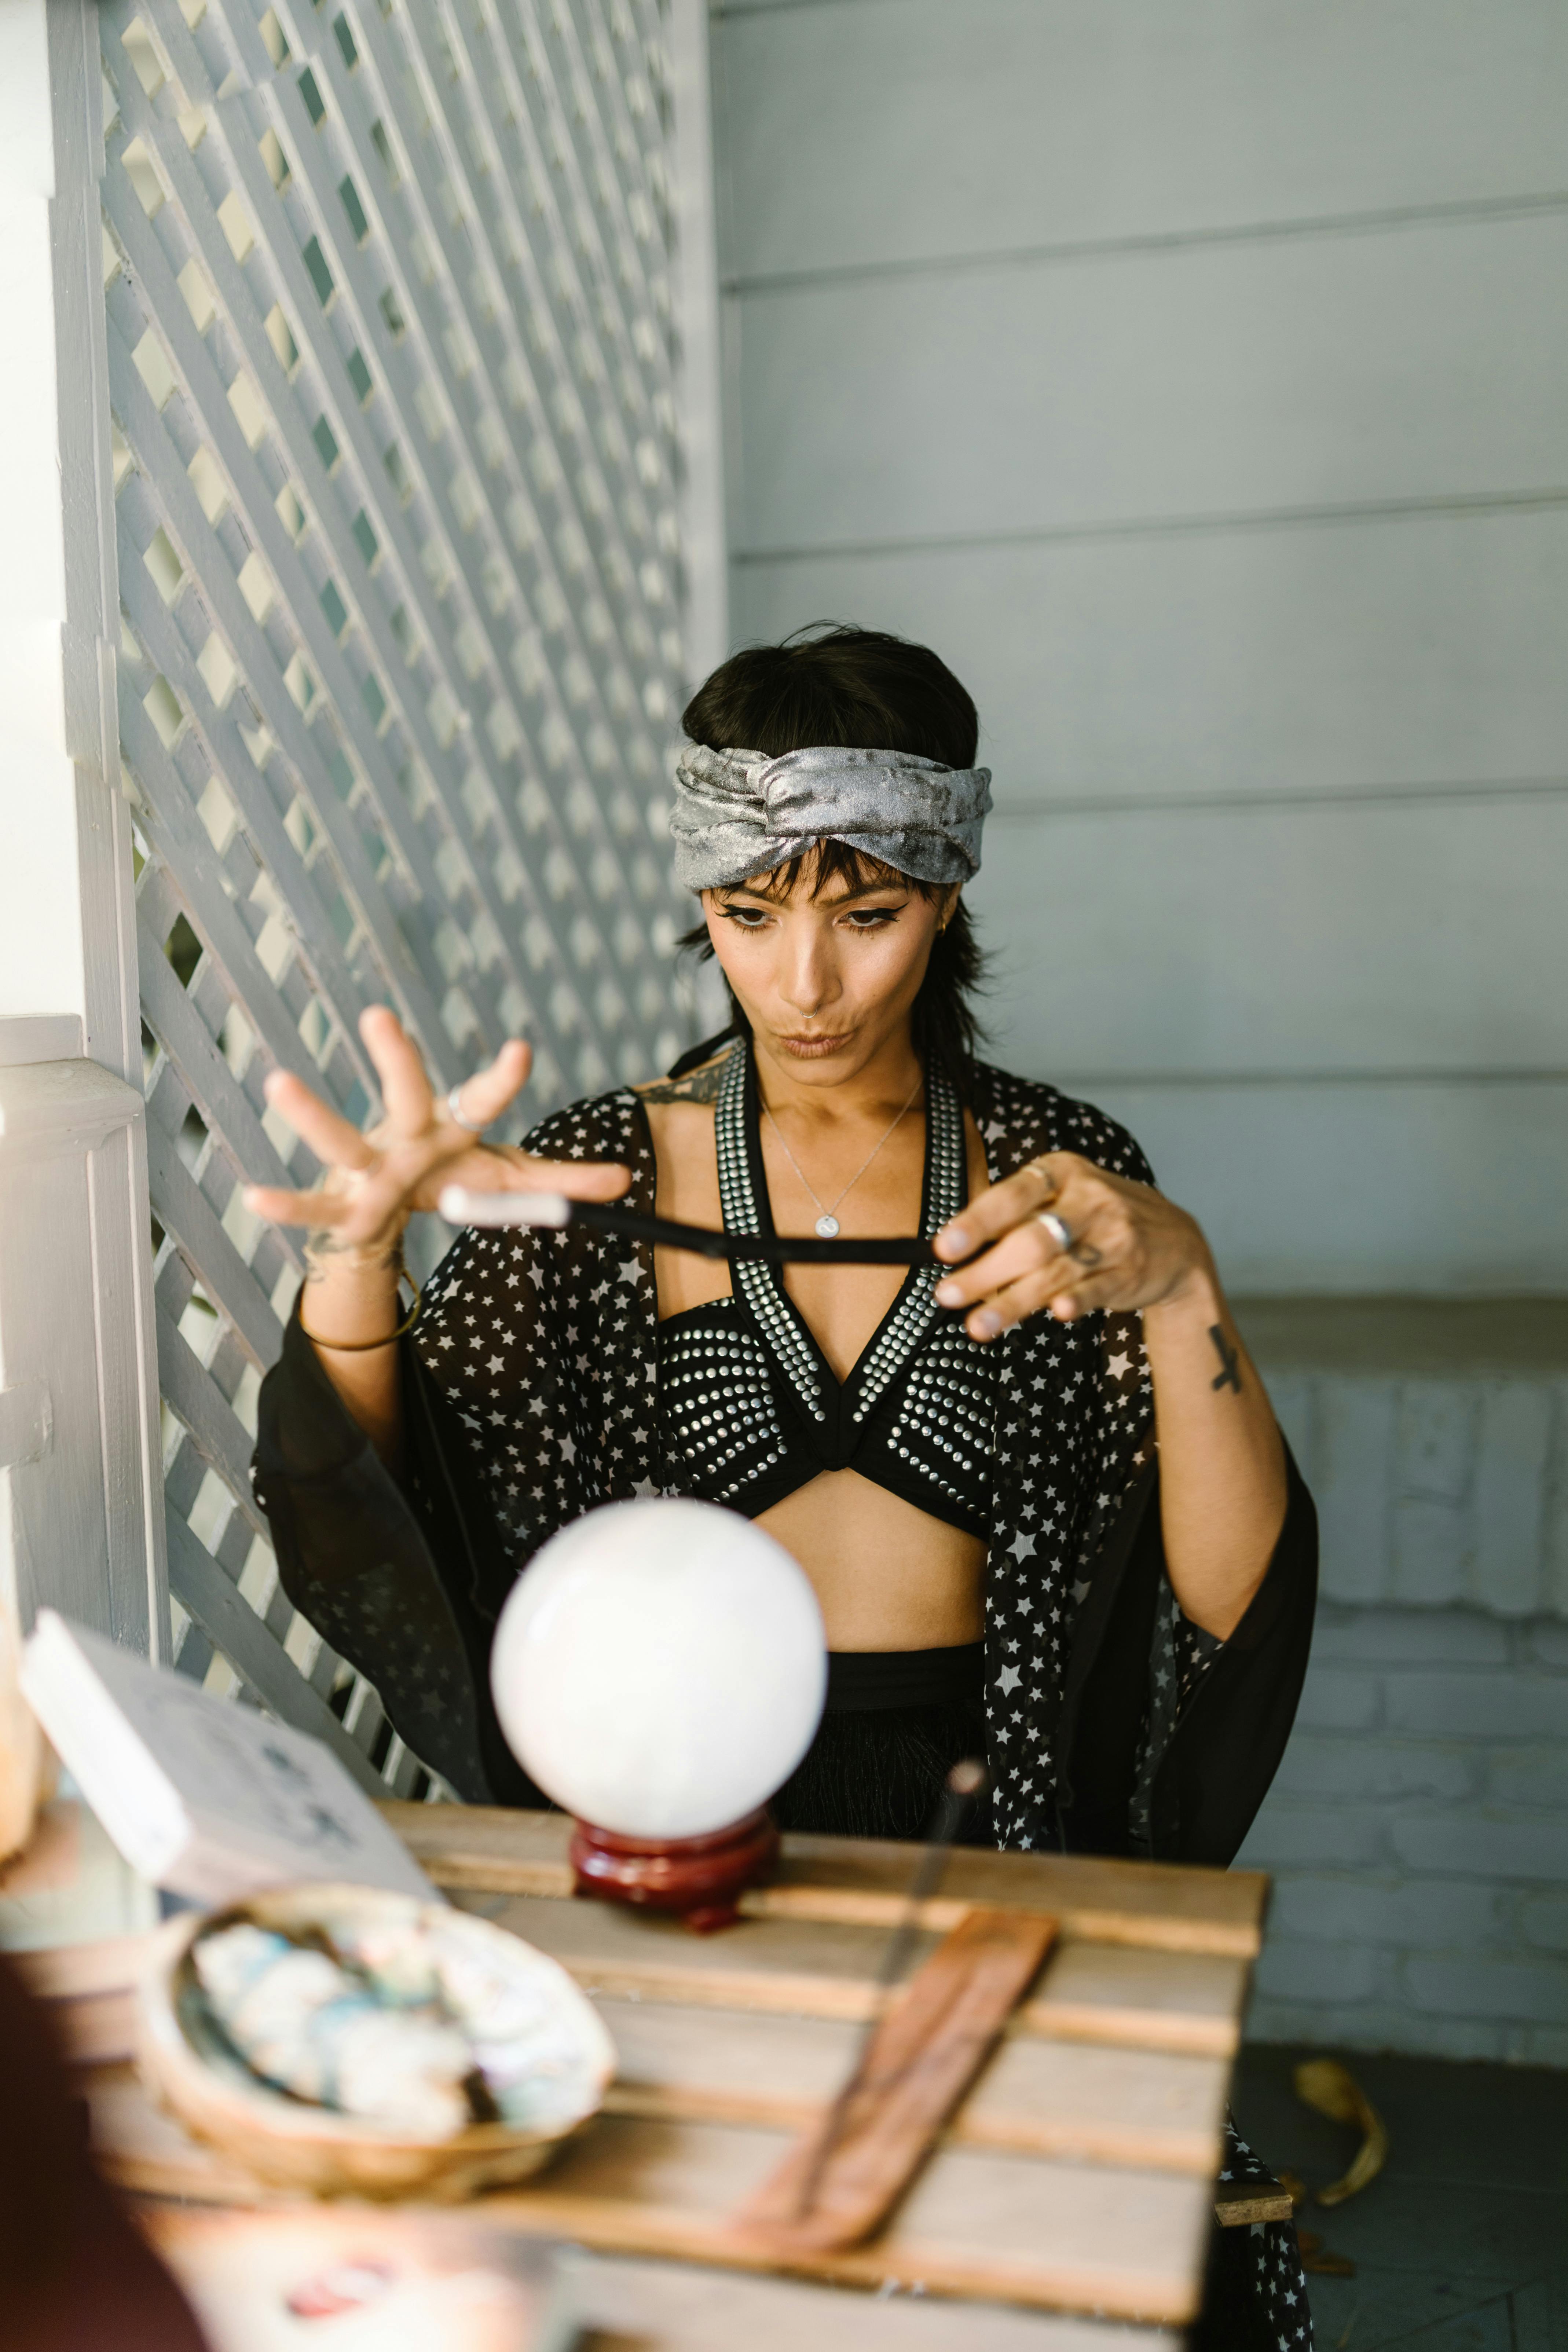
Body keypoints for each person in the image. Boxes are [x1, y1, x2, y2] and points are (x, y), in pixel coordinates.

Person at [247, 624, 1317, 2349]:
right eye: (751, 917)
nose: (804, 982)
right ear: (703, 906)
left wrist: (1186, 1285)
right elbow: (380, 1516)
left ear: (949, 893)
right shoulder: (602, 1177)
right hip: (667, 1841)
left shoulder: (1059, 1181)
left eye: (863, 913)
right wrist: (360, 1262)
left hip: (985, 1826)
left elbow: (1228, 1598)